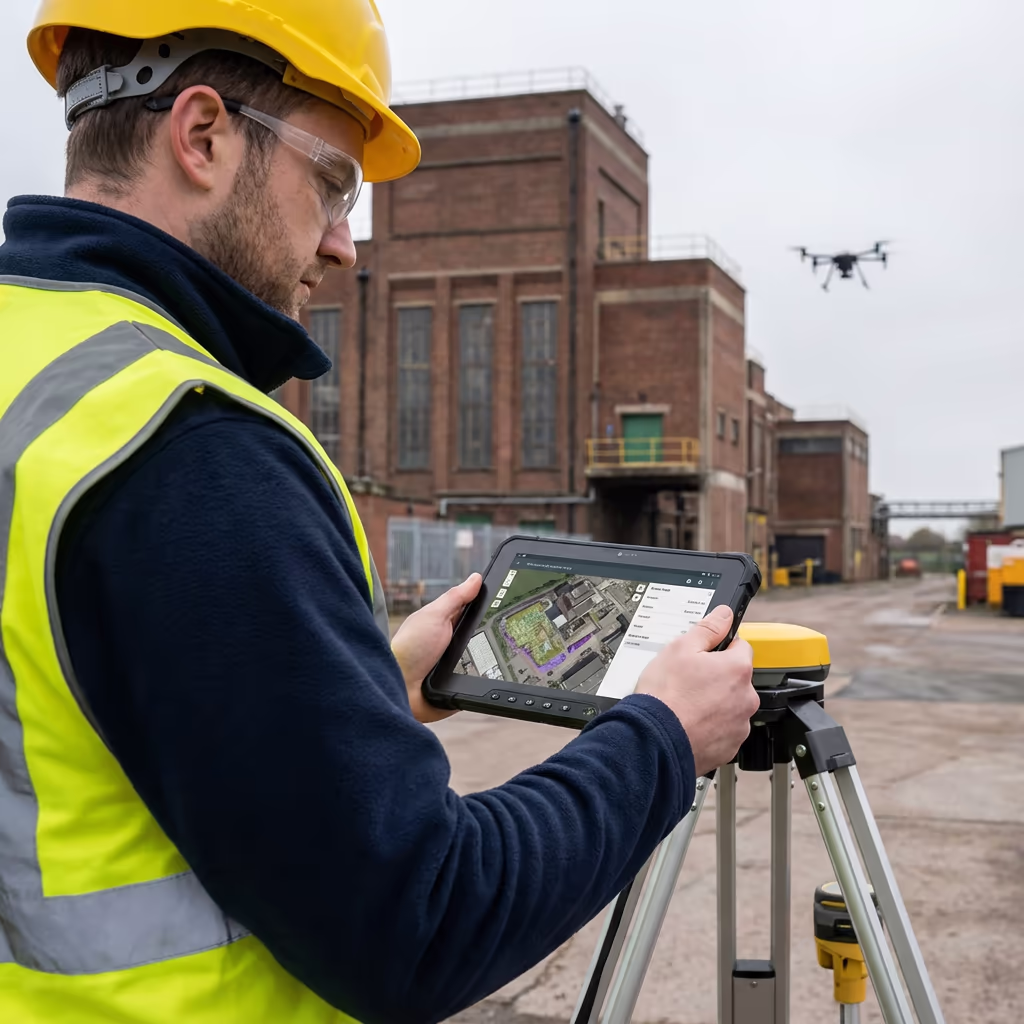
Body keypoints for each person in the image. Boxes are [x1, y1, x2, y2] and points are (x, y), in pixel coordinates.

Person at [0, 2, 759, 1022]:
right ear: (203, 135)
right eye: (331, 184)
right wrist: (661, 738)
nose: (345, 246)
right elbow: (422, 919)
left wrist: (365, 690)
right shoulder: (190, 445)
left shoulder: (30, 364)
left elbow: (68, 722)